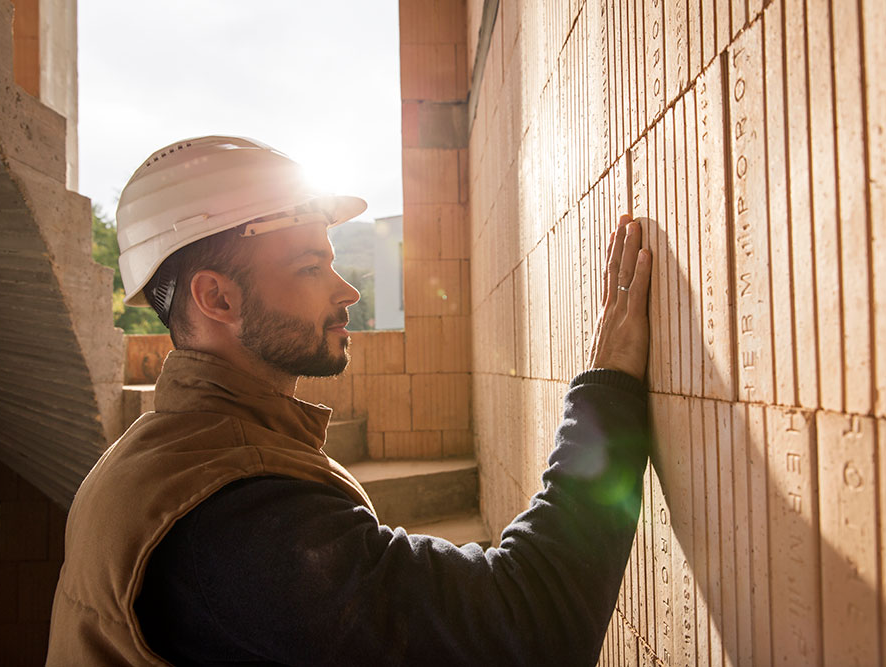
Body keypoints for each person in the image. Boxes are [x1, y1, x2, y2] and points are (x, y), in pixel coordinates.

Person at [46, 136, 653, 666]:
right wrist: (607, 391)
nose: (346, 289)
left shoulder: (173, 458)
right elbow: (526, 627)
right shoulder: (230, 516)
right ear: (217, 299)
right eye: (311, 267)